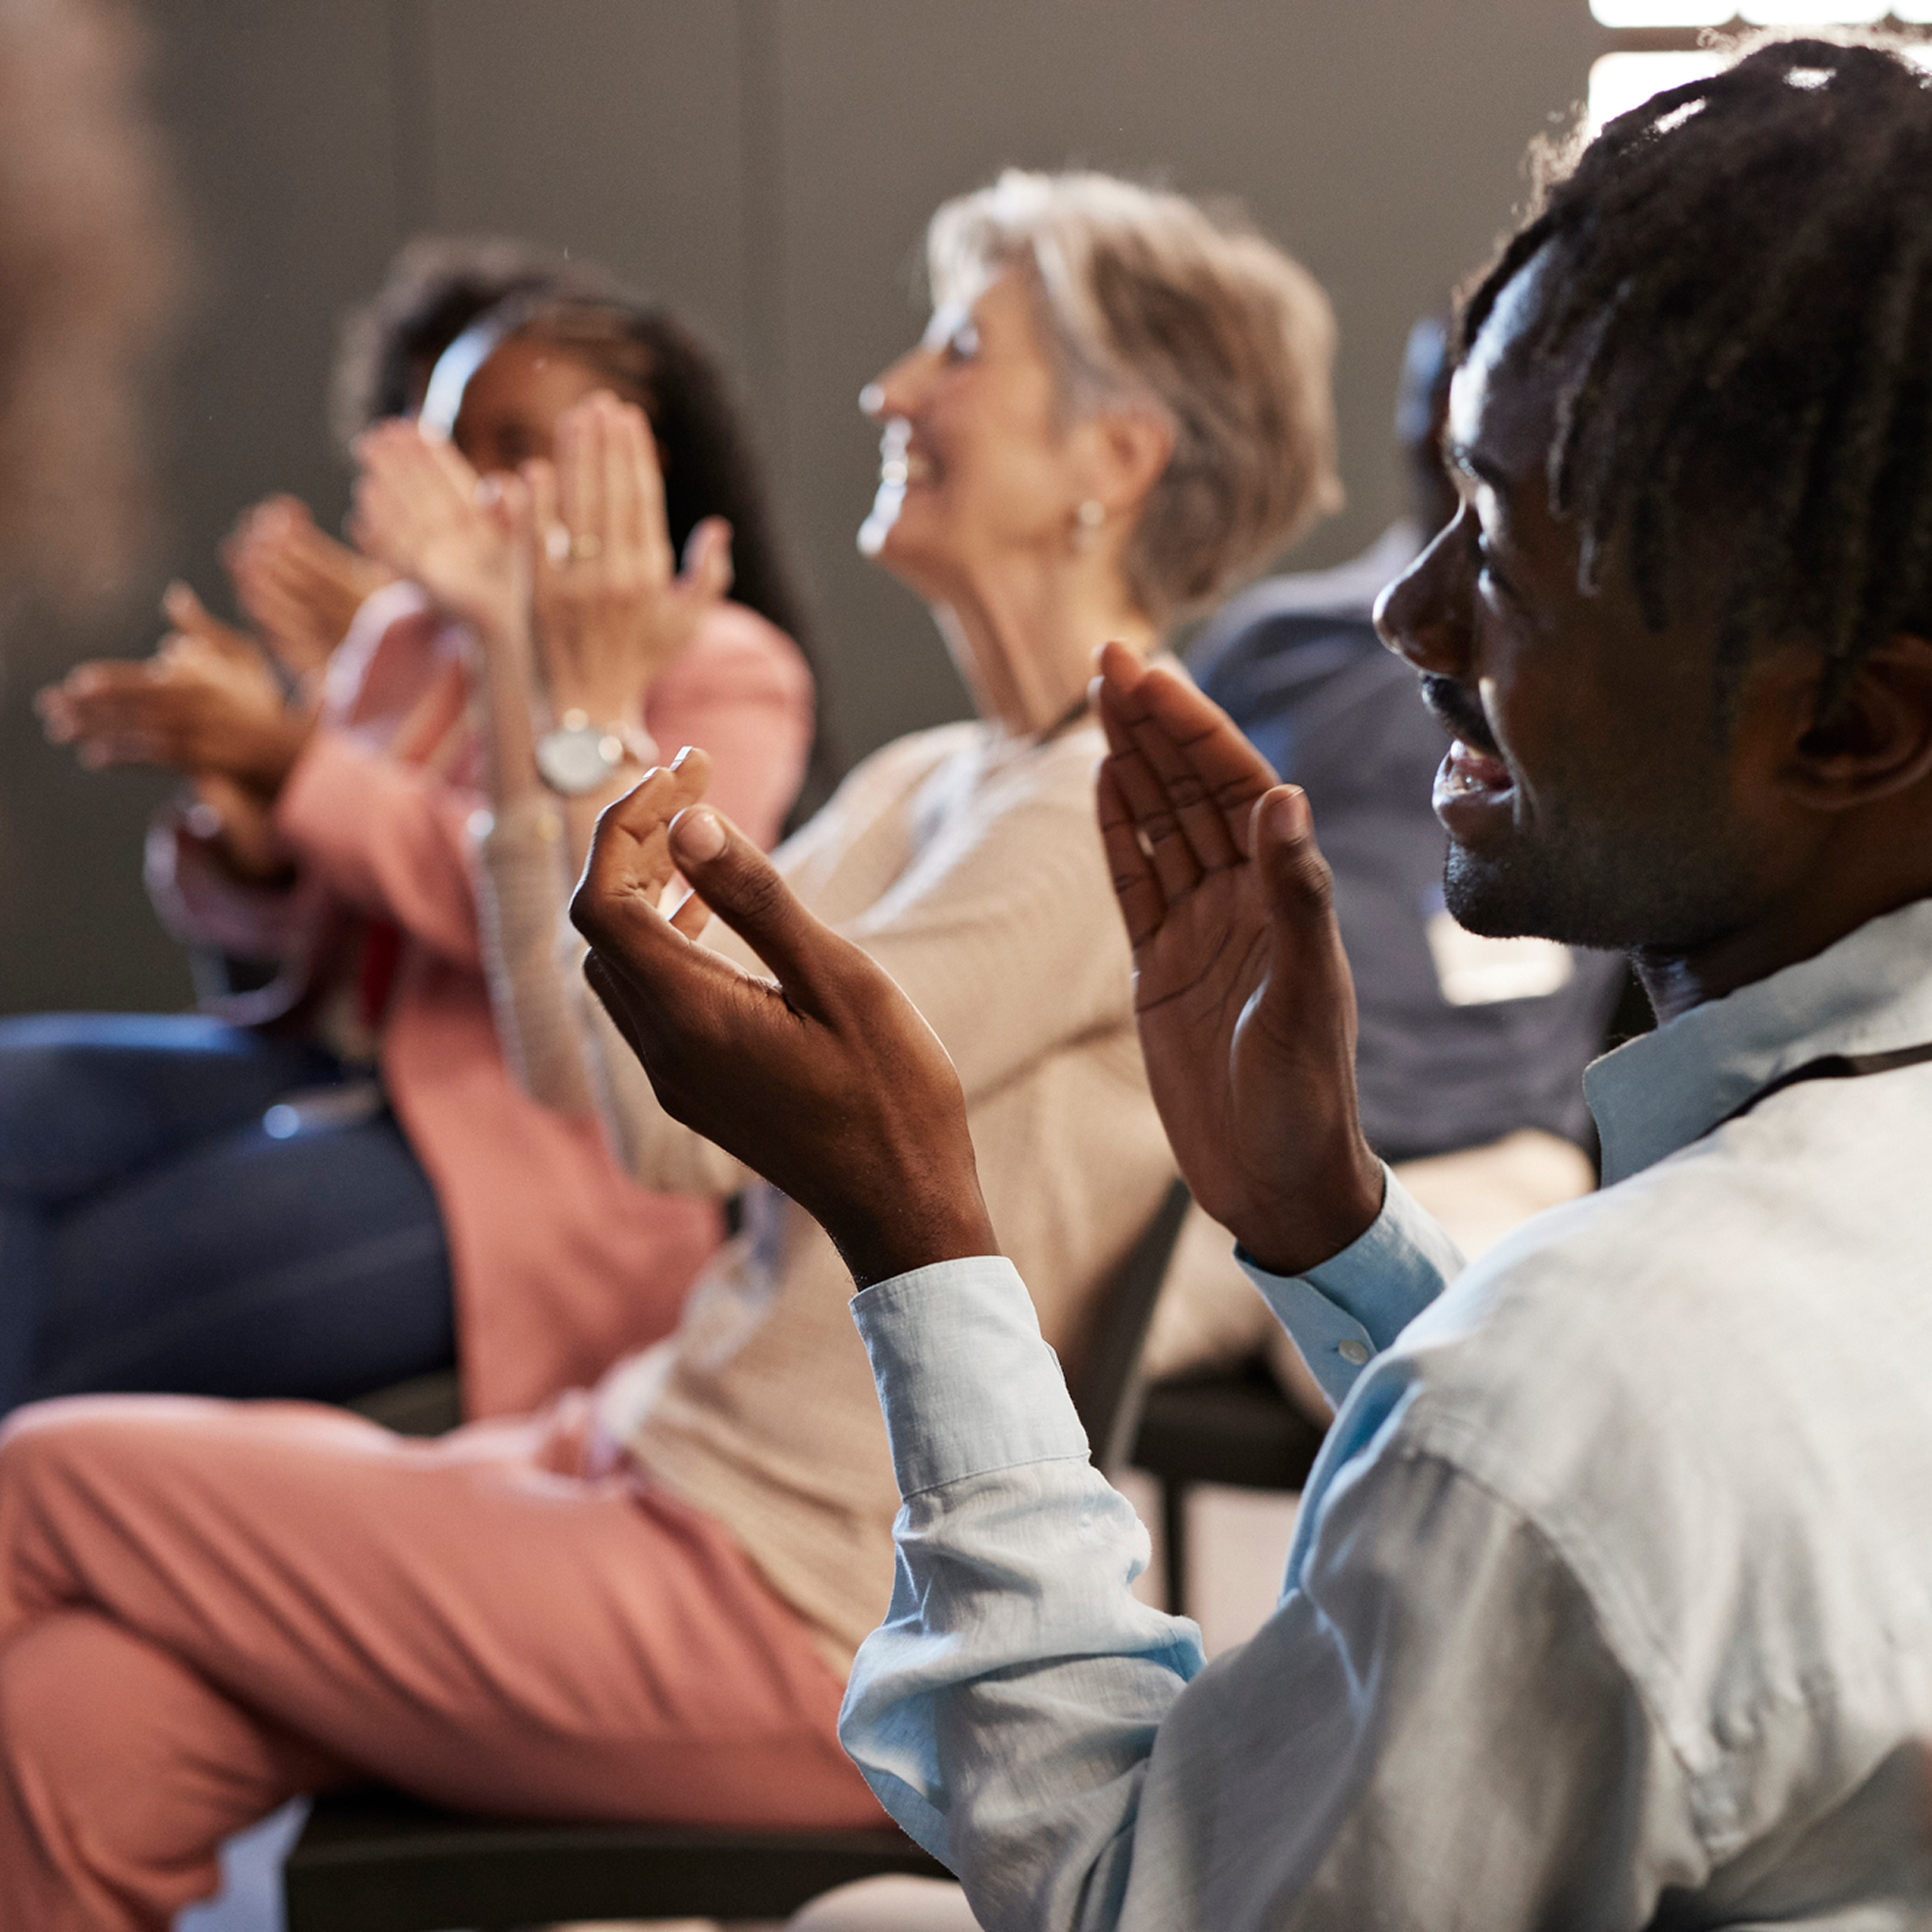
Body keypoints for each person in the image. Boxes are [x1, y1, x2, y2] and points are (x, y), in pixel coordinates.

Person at [554, 37, 1932, 1928]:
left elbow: (1140, 1890)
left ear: (1855, 721)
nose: (1404, 614)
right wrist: (1330, 1227)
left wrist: (919, 1233)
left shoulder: (1577, 1410)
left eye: (1514, 556)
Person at [0, 168, 1343, 1928]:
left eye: (957, 348)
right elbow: (608, 1096)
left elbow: (711, 1127)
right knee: (81, 1723)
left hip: (785, 1592)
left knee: (34, 1483)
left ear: (1117, 458)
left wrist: (561, 705)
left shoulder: (1114, 807)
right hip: (633, 1464)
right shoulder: (933, 779)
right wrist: (518, 670)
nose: (888, 393)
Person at [11, 276, 815, 1420]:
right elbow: (318, 931)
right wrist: (253, 834)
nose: (477, 488)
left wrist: (302, 766)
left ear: (640, 475)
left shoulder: (721, 664)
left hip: (531, 1159)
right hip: (338, 1071)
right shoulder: (403, 631)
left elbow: (576, 937)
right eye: (452, 449)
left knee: (81, 1298)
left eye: (518, 448)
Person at [1142, 314, 1626, 1405]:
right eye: (1436, 408)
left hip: (1488, 1148)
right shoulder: (1277, 644)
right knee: (1030, 1337)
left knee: (1444, 1391)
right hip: (1256, 1148)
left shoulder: (1601, 666)